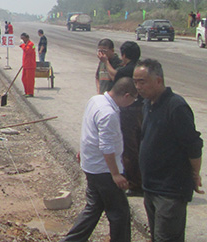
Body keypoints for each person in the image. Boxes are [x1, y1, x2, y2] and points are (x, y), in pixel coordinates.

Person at [134, 59, 204, 241]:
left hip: (170, 190)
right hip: (150, 187)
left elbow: (193, 145)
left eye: (142, 82)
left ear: (158, 80)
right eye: (135, 82)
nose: (138, 87)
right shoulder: (148, 104)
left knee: (166, 238)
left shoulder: (176, 106)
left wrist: (195, 173)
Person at [62, 78, 138, 242]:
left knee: (93, 208)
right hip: (104, 171)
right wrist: (115, 174)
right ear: (126, 96)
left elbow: (89, 129)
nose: (132, 103)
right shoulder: (108, 114)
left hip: (92, 165)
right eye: (133, 99)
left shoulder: (96, 100)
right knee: (119, 213)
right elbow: (107, 147)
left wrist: (84, 151)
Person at [112, 41, 143, 194]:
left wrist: (106, 63)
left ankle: (134, 184)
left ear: (124, 55)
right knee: (142, 145)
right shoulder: (142, 69)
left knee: (129, 149)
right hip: (144, 110)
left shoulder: (124, 71)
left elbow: (116, 83)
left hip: (128, 111)